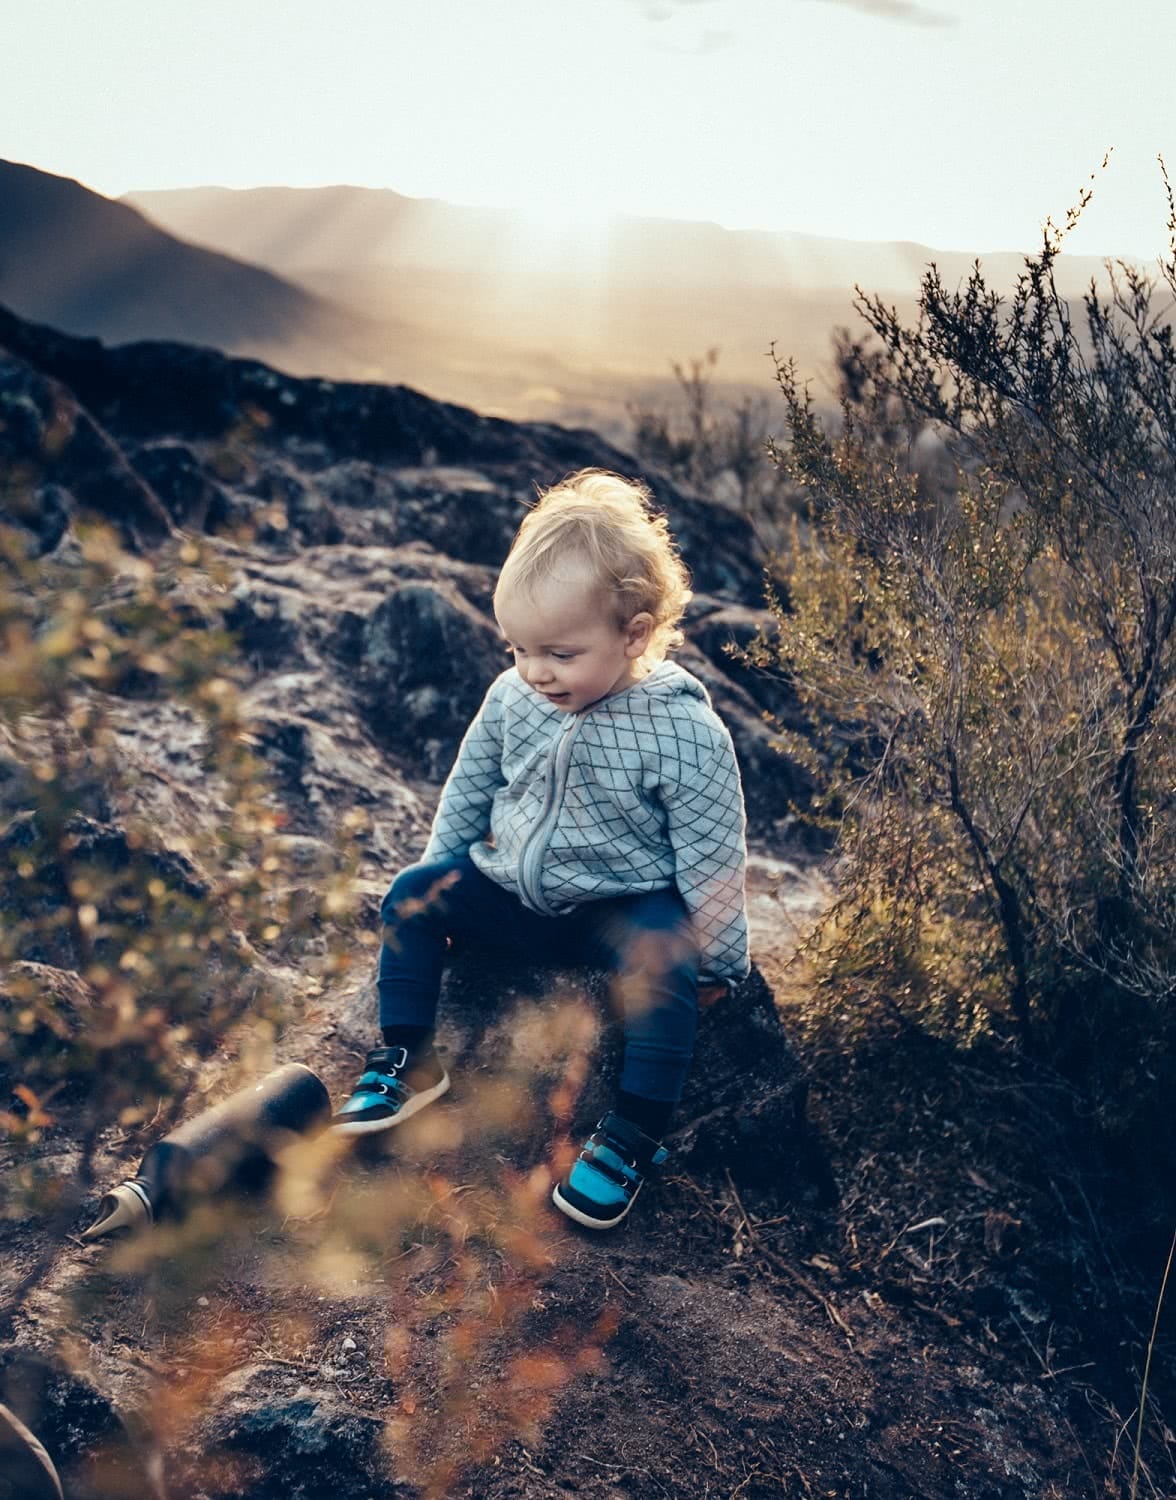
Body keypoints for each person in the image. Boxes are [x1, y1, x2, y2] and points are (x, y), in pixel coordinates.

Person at [332, 468, 751, 1229]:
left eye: (558, 652)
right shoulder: (512, 696)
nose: (533, 671)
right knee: (408, 896)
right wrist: (443, 879)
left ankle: (631, 1135)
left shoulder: (686, 733)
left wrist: (720, 961)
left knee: (667, 954)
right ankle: (405, 1059)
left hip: (619, 907)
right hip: (513, 889)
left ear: (633, 633)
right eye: (518, 648)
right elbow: (469, 792)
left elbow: (713, 853)